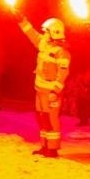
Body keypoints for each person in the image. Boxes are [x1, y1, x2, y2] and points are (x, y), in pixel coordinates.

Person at [15, 13, 71, 157]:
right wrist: (22, 20)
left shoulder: (62, 52)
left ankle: (52, 149)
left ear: (53, 33)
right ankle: (44, 145)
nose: (43, 34)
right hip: (40, 90)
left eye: (46, 32)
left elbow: (63, 74)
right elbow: (31, 34)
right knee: (41, 117)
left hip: (51, 92)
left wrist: (55, 91)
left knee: (51, 119)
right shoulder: (44, 45)